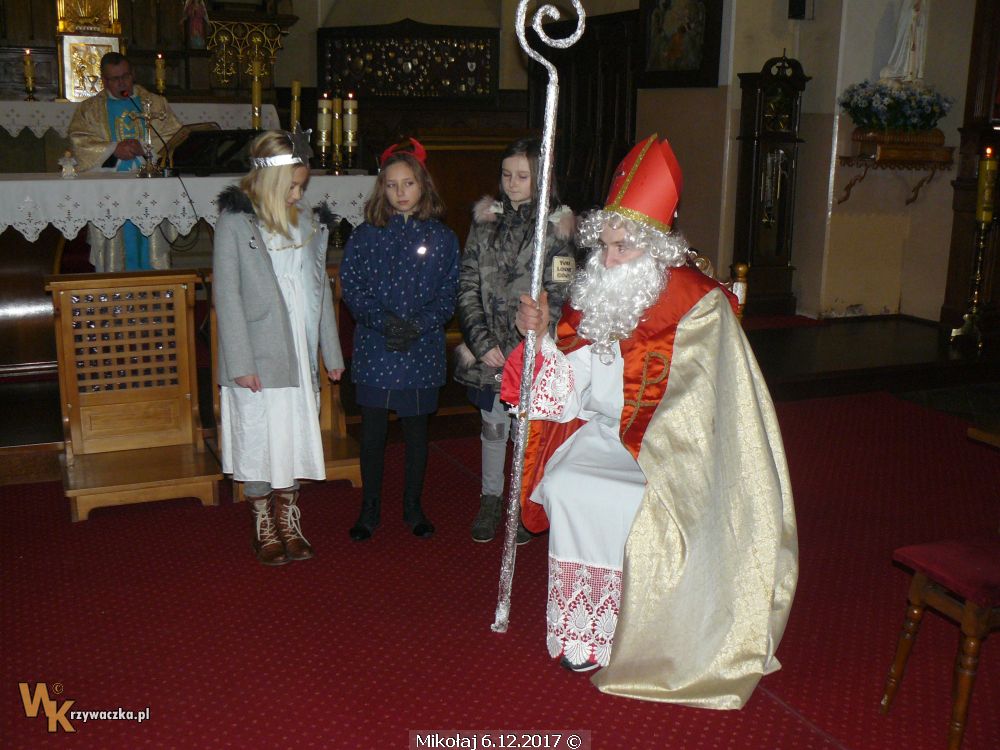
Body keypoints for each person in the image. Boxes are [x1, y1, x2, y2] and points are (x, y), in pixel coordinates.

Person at [502, 134, 798, 708]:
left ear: (657, 249)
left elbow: (715, 410)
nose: (609, 260)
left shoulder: (699, 306)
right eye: (605, 246)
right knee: (569, 484)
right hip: (601, 434)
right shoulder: (596, 295)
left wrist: (661, 446)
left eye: (623, 248)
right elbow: (570, 391)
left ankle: (642, 630)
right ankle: (586, 633)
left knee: (633, 503)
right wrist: (540, 339)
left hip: (671, 454)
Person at [213, 129, 345, 566]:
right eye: (292, 187)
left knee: (291, 436)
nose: (298, 195)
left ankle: (288, 520)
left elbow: (318, 291)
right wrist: (240, 363)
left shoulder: (306, 223)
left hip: (299, 351)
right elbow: (227, 296)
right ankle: (262, 524)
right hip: (257, 352)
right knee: (258, 438)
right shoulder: (235, 224)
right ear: (269, 182)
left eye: (302, 187)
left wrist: (331, 353)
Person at [454, 137, 576, 545]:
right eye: (506, 175)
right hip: (489, 346)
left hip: (531, 348)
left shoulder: (556, 226)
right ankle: (491, 498)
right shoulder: (485, 220)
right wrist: (479, 339)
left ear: (541, 177)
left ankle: (522, 502)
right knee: (493, 426)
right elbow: (467, 282)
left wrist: (535, 337)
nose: (512, 183)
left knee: (526, 431)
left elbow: (560, 289)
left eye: (522, 176)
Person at [340, 138, 459, 542]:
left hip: (421, 348)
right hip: (377, 345)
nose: (400, 192)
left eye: (408, 184)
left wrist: (419, 325)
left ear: (423, 185)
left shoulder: (442, 238)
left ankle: (413, 507)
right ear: (382, 189)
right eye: (391, 185)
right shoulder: (365, 235)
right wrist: (383, 322)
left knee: (416, 434)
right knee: (372, 435)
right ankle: (369, 509)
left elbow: (448, 293)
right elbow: (353, 287)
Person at [68, 51, 183, 272]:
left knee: (151, 243)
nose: (122, 83)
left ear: (133, 74)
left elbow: (175, 135)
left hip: (151, 187)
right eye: (115, 79)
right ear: (104, 81)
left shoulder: (155, 104)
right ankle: (117, 289)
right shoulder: (90, 109)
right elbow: (80, 143)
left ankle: (156, 285)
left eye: (126, 76)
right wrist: (113, 150)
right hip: (110, 188)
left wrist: (146, 147)